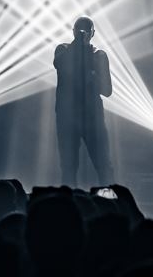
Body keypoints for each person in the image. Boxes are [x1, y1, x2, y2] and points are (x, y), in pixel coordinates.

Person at [53, 16, 113, 186]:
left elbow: (107, 91)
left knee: (103, 165)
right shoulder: (63, 50)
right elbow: (59, 64)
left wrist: (92, 75)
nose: (82, 34)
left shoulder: (99, 55)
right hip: (67, 117)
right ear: (73, 32)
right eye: (79, 31)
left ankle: (108, 198)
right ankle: (69, 200)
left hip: (92, 118)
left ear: (93, 33)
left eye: (86, 31)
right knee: (68, 166)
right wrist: (78, 46)